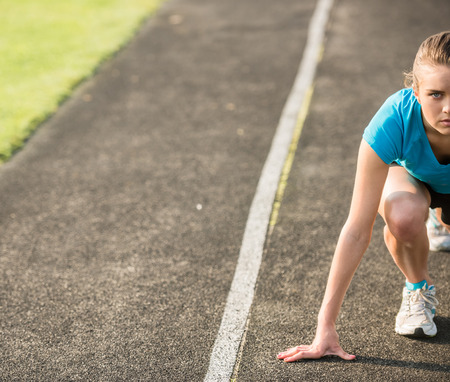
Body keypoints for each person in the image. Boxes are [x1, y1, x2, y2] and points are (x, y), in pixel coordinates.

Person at [278, 31, 450, 362]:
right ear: (414, 92)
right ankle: (417, 290)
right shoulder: (393, 120)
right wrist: (324, 326)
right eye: (435, 94)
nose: (448, 107)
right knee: (402, 215)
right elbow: (357, 228)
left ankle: (440, 219)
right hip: (414, 176)